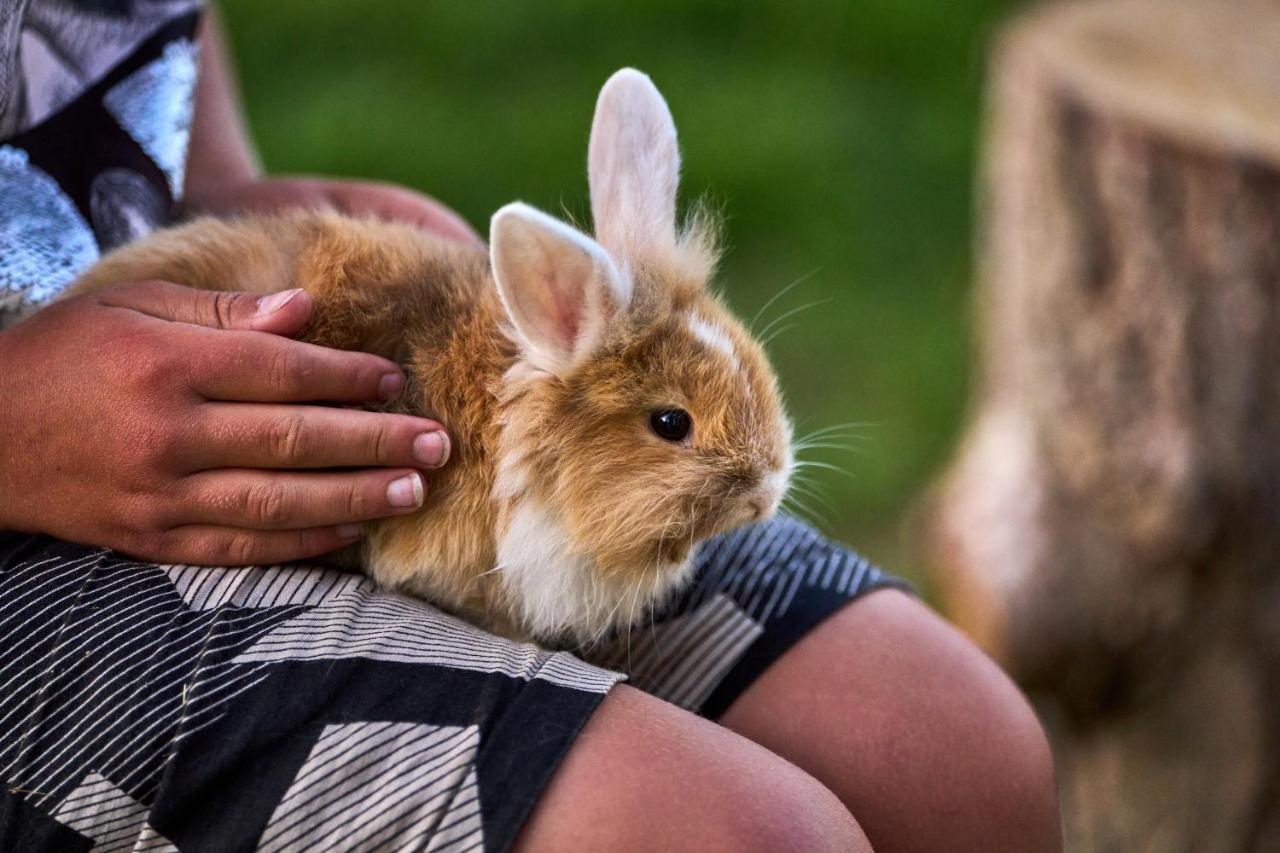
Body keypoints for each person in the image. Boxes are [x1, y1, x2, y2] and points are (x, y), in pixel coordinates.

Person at [0, 3, 1062, 851]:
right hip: (34, 484)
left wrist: (218, 180)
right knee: (737, 835)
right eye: (669, 425)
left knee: (950, 749)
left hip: (158, 323)